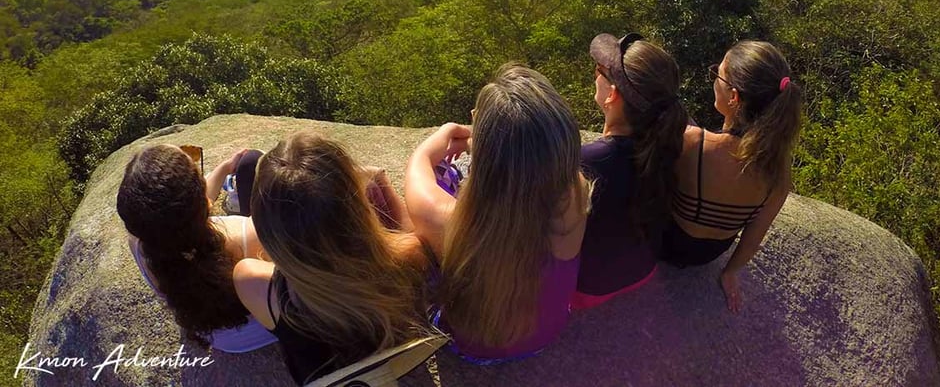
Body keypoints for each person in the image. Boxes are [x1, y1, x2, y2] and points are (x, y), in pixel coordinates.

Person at [404, 64, 590, 362]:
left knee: (437, 186)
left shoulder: (446, 219)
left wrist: (449, 132)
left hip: (471, 347)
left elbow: (420, 162)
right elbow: (527, 171)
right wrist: (484, 143)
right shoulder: (576, 196)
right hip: (545, 337)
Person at [232, 131, 429, 386]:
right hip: (390, 366)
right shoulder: (407, 255)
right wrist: (381, 180)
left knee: (248, 165)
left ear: (267, 231)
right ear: (358, 205)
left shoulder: (253, 283)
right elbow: (407, 236)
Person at [666, 40, 801, 314]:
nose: (714, 80)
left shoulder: (692, 143)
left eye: (718, 74)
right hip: (709, 255)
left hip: (665, 243)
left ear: (734, 97)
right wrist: (730, 272)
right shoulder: (778, 169)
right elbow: (754, 234)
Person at [116, 144, 277, 352]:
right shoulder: (248, 234)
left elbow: (178, 217)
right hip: (257, 330)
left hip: (215, 336)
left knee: (247, 164)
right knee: (255, 163)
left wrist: (225, 168)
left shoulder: (141, 243)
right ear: (207, 205)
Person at [574, 33, 688, 309]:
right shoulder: (671, 144)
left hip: (587, 289)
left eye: (599, 71)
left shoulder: (587, 161)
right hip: (643, 272)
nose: (594, 74)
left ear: (612, 94)